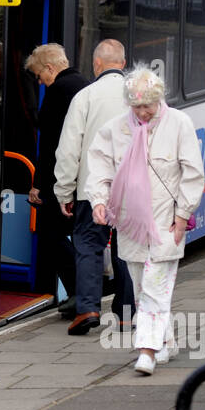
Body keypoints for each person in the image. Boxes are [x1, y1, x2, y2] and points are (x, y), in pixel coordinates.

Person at [85, 65, 204, 375]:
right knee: (141, 287)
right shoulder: (114, 130)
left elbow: (192, 173)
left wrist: (182, 216)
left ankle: (146, 351)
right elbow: (99, 167)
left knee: (154, 287)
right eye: (136, 106)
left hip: (166, 221)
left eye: (148, 105)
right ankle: (164, 341)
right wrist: (98, 201)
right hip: (130, 224)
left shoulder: (179, 124)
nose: (143, 112)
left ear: (159, 99)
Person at [52, 39, 135, 334]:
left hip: (92, 188)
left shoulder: (85, 97)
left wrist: (64, 191)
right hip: (132, 188)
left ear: (96, 64)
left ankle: (87, 310)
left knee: (88, 245)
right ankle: (126, 313)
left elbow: (68, 149)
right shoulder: (139, 95)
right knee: (126, 247)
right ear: (123, 64)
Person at [22, 43, 88, 318]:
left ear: (50, 68)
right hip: (85, 175)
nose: (40, 81)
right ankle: (84, 292)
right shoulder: (84, 85)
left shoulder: (58, 91)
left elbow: (50, 144)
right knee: (82, 236)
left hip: (61, 178)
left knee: (52, 234)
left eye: (39, 75)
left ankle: (79, 292)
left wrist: (38, 183)